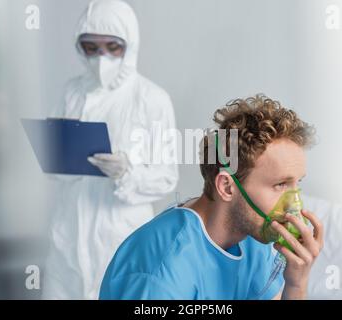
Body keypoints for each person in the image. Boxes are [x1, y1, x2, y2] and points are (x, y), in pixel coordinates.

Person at [99, 94, 324, 300]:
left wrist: (296, 284)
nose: (294, 205)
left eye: (297, 184)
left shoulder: (256, 238)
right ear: (227, 186)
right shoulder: (162, 272)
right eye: (280, 185)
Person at [42, 0, 179, 299]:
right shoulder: (71, 92)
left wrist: (128, 173)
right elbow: (54, 161)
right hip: (68, 238)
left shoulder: (151, 99)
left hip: (121, 235)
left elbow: (167, 177)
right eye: (91, 47)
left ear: (129, 44)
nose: (101, 57)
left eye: (112, 47)